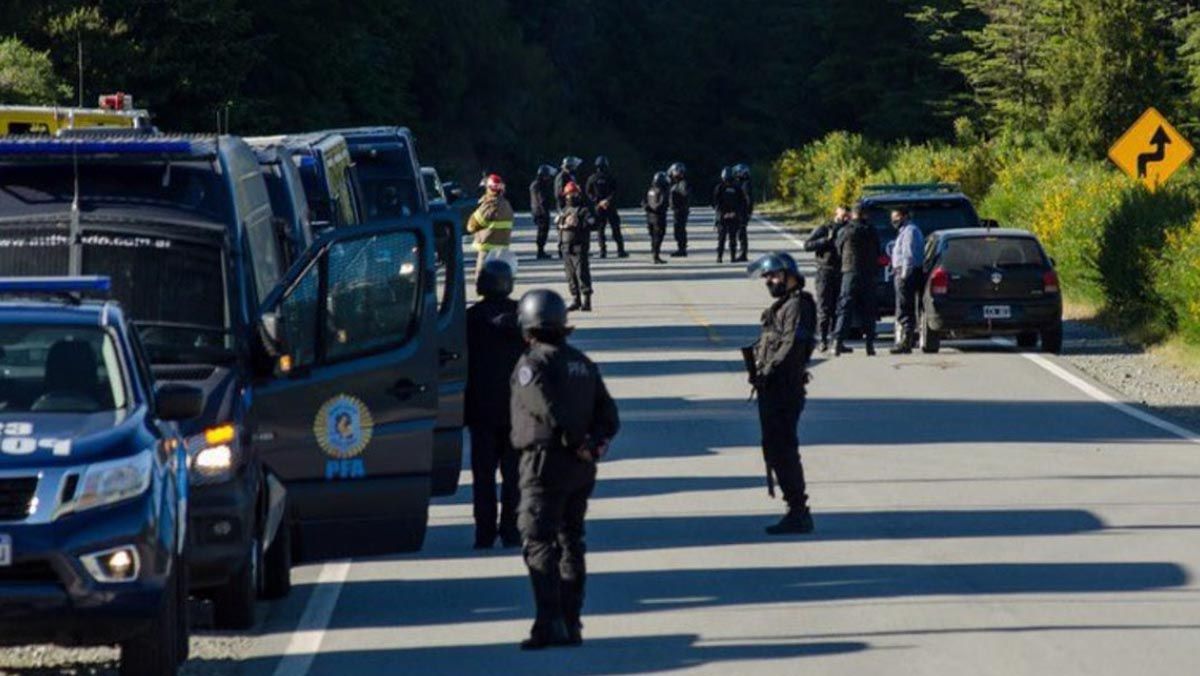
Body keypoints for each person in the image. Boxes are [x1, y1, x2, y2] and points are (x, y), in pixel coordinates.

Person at [511, 289, 620, 649]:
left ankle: (550, 622)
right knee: (571, 539)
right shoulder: (581, 362)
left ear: (528, 326)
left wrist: (575, 441)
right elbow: (609, 415)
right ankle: (572, 622)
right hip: (580, 467)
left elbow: (546, 408)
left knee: (539, 539)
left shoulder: (532, 364)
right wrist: (594, 443)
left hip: (545, 462)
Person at [746, 252, 817, 534]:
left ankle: (798, 511)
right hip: (773, 389)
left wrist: (769, 370)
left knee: (783, 449)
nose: (769, 281)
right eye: (767, 277)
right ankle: (795, 508)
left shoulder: (798, 306)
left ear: (790, 276)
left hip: (785, 389)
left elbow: (791, 346)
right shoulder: (783, 306)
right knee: (775, 449)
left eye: (774, 276)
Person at [465, 260, 524, 549]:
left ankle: (484, 531)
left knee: (483, 476)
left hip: (481, 410)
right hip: (517, 410)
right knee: (514, 475)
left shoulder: (471, 318)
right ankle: (511, 529)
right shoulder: (523, 316)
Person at [832, 206, 881, 356]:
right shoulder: (871, 231)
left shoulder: (846, 230)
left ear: (852, 215)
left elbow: (838, 249)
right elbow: (878, 250)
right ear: (864, 215)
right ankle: (869, 345)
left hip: (850, 272)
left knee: (845, 308)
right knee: (869, 310)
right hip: (868, 274)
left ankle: (838, 342)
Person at [803, 206, 849, 352]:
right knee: (824, 308)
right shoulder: (825, 228)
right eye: (842, 214)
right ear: (836, 213)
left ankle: (837, 341)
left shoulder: (848, 229)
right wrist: (825, 240)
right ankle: (822, 340)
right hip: (825, 272)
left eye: (847, 215)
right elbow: (807, 245)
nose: (845, 217)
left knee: (839, 308)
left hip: (841, 272)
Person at [889, 207, 925, 354]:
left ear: (904, 216)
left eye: (897, 217)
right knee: (904, 307)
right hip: (904, 272)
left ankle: (906, 341)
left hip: (907, 273)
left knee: (904, 308)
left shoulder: (910, 231)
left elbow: (908, 255)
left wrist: (904, 274)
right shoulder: (904, 231)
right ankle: (906, 340)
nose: (894, 220)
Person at [555, 181, 595, 312]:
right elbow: (559, 227)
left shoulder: (584, 210)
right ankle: (575, 300)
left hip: (579, 246)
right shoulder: (564, 210)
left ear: (578, 194)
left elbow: (593, 224)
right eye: (568, 194)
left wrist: (579, 223)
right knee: (570, 275)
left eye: (572, 194)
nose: (570, 196)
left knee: (582, 273)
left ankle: (586, 300)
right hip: (565, 247)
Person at [466, 173, 514, 276]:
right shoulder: (506, 204)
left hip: (487, 250)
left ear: (489, 188)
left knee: (482, 278)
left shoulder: (490, 205)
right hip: (502, 249)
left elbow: (472, 226)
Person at [585, 156, 627, 259]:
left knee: (601, 230)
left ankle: (602, 251)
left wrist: (597, 201)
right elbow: (616, 191)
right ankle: (620, 250)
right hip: (610, 206)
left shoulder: (592, 178)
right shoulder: (611, 177)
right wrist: (608, 200)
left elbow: (588, 192)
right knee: (615, 228)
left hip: (599, 207)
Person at [712, 167, 747, 263]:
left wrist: (724, 213)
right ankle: (729, 257)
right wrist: (733, 213)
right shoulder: (736, 187)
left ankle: (721, 257)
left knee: (723, 238)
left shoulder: (720, 187)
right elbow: (742, 202)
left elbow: (715, 203)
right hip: (729, 215)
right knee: (730, 238)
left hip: (726, 216)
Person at [642, 171, 670, 265]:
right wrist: (656, 209)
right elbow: (662, 203)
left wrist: (648, 208)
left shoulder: (650, 190)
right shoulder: (662, 191)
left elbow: (643, 201)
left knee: (653, 236)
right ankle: (656, 256)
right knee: (658, 237)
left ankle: (654, 253)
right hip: (659, 217)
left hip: (649, 217)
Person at [530, 165, 557, 260]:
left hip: (538, 211)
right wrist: (545, 211)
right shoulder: (539, 185)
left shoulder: (535, 184)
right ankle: (540, 251)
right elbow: (542, 199)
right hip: (541, 212)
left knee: (542, 231)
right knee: (542, 232)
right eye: (547, 175)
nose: (548, 177)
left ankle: (541, 251)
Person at [667, 162, 689, 257]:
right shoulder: (676, 184)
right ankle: (681, 248)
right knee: (678, 229)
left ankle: (682, 249)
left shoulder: (682, 183)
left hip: (681, 210)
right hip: (678, 209)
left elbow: (685, 193)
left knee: (679, 229)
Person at [734, 164, 754, 262]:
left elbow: (748, 200)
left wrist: (748, 212)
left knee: (742, 233)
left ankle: (743, 253)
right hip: (741, 211)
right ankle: (741, 252)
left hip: (743, 212)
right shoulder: (743, 183)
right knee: (740, 232)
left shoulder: (745, 185)